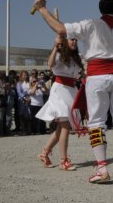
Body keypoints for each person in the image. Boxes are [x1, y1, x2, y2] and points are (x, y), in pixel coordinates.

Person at [33, 0, 113, 183]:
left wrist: (41, 9)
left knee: (96, 122)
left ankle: (103, 169)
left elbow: (60, 29)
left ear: (101, 9)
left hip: (97, 76)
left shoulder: (90, 24)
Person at [36, 35, 84, 171]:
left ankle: (44, 153)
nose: (74, 41)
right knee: (65, 126)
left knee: (62, 128)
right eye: (71, 39)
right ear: (65, 41)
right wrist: (56, 47)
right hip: (60, 90)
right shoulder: (58, 54)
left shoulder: (77, 56)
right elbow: (50, 65)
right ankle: (64, 161)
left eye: (76, 40)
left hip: (71, 90)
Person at [16, 70, 32, 135]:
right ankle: (23, 130)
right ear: (21, 76)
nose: (25, 76)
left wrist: (29, 98)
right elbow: (19, 93)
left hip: (30, 100)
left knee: (29, 115)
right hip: (22, 101)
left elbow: (32, 91)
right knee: (22, 115)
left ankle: (29, 130)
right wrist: (25, 97)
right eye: (23, 75)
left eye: (26, 75)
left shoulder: (29, 83)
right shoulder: (19, 83)